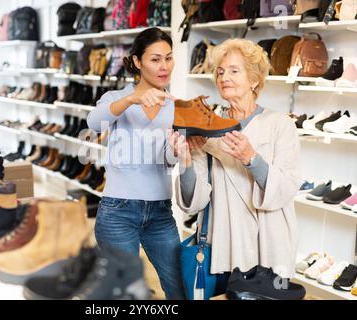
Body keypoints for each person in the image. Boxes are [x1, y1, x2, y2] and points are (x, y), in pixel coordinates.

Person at [169, 39, 302, 292]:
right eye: (219, 71)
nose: (223, 77)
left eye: (233, 70)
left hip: (268, 245)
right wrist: (185, 162)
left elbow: (286, 188)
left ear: (254, 80)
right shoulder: (207, 125)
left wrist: (251, 158)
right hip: (223, 244)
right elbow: (194, 201)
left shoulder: (280, 124)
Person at [87, 27, 185, 299]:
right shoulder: (116, 98)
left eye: (168, 58)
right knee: (123, 294)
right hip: (118, 212)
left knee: (179, 287)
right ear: (138, 62)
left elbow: (167, 161)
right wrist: (131, 99)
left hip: (161, 213)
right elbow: (94, 124)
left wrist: (177, 151)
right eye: (155, 59)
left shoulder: (176, 107)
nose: (164, 66)